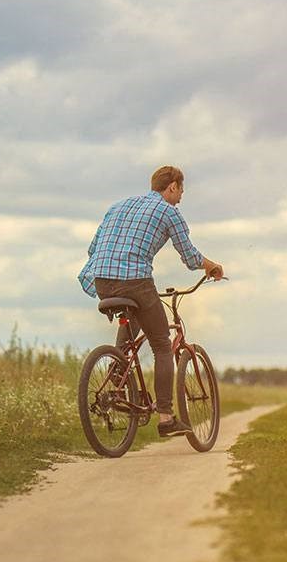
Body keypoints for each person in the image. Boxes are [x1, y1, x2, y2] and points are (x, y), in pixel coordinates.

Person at [78, 165, 223, 437]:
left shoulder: (119, 206)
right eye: (181, 190)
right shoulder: (169, 212)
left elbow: (93, 248)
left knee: (132, 321)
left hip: (101, 279)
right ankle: (167, 418)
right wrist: (212, 266)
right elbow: (191, 258)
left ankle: (118, 381)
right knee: (161, 345)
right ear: (172, 187)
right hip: (134, 281)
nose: (181, 197)